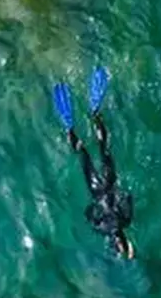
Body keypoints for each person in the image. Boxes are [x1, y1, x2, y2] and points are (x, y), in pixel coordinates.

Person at [52, 67, 135, 260]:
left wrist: (116, 196)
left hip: (110, 180)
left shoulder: (126, 220)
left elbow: (127, 196)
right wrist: (97, 205)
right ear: (117, 243)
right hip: (97, 189)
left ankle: (95, 115)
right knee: (83, 153)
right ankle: (70, 129)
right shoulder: (103, 228)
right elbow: (89, 213)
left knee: (104, 147)